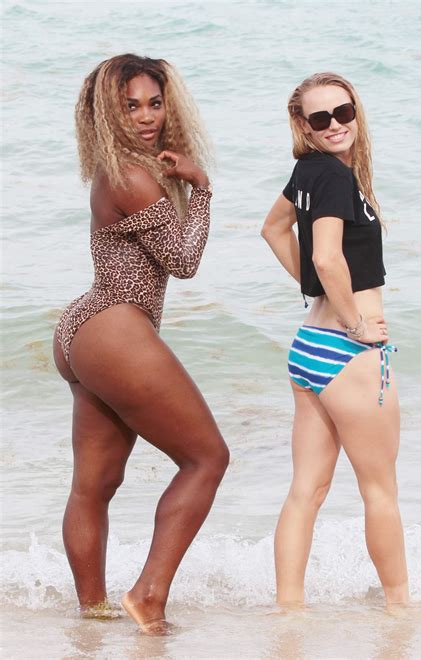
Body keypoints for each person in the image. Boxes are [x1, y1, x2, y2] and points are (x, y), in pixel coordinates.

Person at [53, 54, 229, 633]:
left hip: (87, 328)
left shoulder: (118, 170)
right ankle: (148, 597)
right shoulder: (131, 176)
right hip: (115, 326)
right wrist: (200, 187)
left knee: (96, 484)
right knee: (207, 458)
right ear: (108, 111)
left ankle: (92, 614)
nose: (147, 116)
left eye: (155, 103)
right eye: (131, 106)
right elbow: (184, 261)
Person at [261, 72, 408, 607]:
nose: (336, 125)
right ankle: (400, 611)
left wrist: (315, 290)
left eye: (343, 112)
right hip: (349, 353)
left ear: (355, 111)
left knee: (307, 491)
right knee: (380, 491)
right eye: (320, 118)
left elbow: (273, 228)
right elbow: (325, 255)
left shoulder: (310, 172)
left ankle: (290, 611)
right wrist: (355, 324)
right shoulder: (332, 177)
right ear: (304, 125)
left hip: (309, 350)